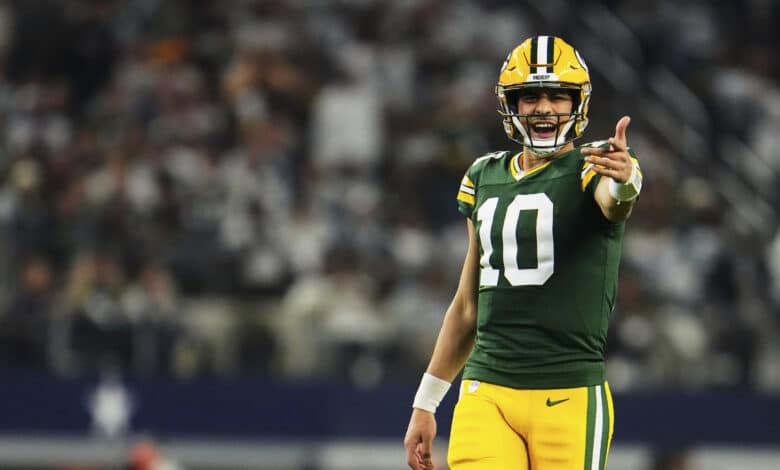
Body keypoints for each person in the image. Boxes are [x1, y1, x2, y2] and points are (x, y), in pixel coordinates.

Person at [403, 35, 643, 470]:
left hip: (568, 393)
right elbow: (466, 306)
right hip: (486, 388)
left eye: (557, 96)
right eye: (530, 96)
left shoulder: (598, 164)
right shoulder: (484, 174)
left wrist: (625, 180)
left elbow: (615, 200)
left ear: (578, 104)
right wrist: (427, 401)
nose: (545, 108)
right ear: (510, 103)